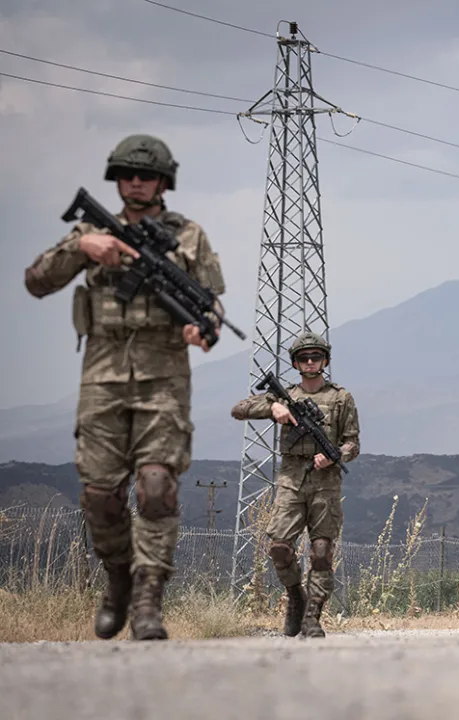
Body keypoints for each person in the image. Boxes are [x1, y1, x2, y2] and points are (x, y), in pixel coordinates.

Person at [23, 134, 227, 640]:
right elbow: (36, 280)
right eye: (127, 175)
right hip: (103, 375)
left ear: (163, 182)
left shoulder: (189, 235)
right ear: (116, 180)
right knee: (100, 495)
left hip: (164, 377)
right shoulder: (93, 231)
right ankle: (117, 574)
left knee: (157, 488)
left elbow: (212, 303)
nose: (136, 182)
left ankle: (147, 602)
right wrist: (81, 246)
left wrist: (203, 328)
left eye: (146, 175)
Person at [230, 331, 360, 638]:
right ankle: (296, 596)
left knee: (321, 550)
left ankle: (313, 616)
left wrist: (333, 457)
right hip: (291, 478)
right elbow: (239, 409)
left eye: (316, 357)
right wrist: (273, 409)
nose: (311, 362)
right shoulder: (284, 396)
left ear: (325, 361)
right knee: (279, 548)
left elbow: (353, 444)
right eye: (304, 358)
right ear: (296, 363)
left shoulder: (341, 398)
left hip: (325, 482)